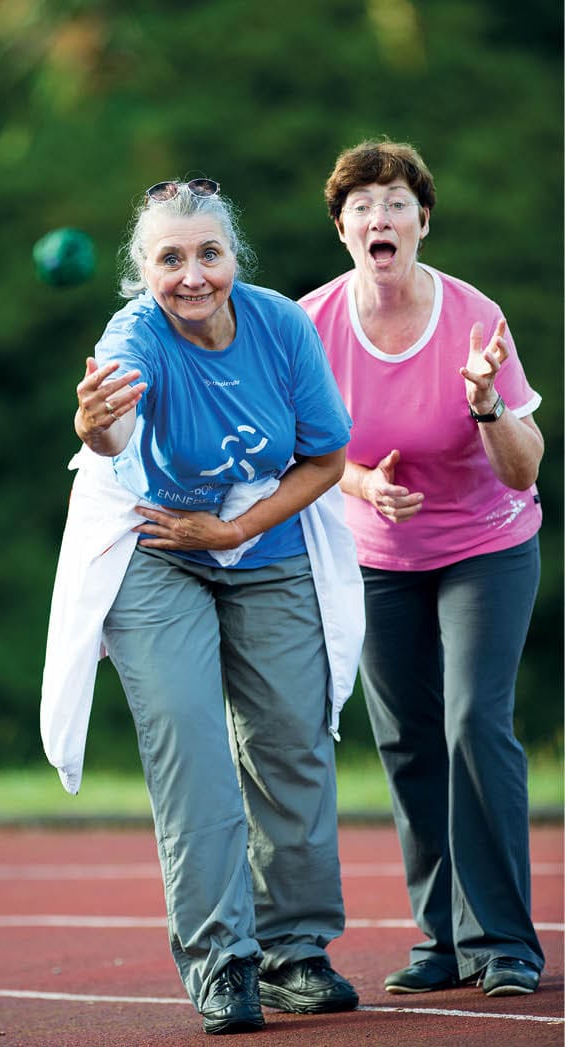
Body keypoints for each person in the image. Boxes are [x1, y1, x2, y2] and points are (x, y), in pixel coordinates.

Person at [42, 177, 363, 1035]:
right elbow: (113, 428)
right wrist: (93, 424)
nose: (192, 274)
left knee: (289, 744)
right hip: (156, 547)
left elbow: (326, 459)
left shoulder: (281, 326)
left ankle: (294, 951)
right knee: (191, 749)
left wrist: (233, 531)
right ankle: (222, 960)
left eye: (207, 253)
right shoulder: (133, 332)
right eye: (169, 258)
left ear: (234, 258)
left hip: (260, 540)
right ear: (142, 270)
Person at [299, 139, 545, 999]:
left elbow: (524, 467)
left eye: (396, 202)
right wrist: (363, 481)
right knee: (406, 742)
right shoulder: (312, 324)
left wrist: (483, 403)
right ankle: (441, 936)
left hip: (487, 543)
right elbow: (303, 455)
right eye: (362, 205)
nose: (380, 217)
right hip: (375, 555)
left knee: (474, 720)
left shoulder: (474, 316)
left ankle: (504, 941)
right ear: (341, 229)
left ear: (422, 221)